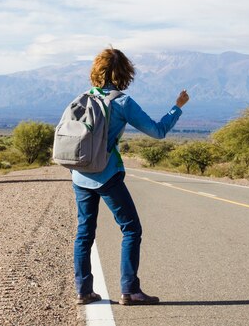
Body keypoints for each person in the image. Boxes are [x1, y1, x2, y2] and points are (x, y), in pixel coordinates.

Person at [73, 47, 189, 306]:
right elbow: (158, 131)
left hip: (80, 175)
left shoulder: (82, 97)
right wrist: (177, 107)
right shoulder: (122, 102)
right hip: (107, 174)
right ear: (125, 72)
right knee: (131, 229)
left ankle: (83, 291)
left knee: (84, 233)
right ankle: (130, 290)